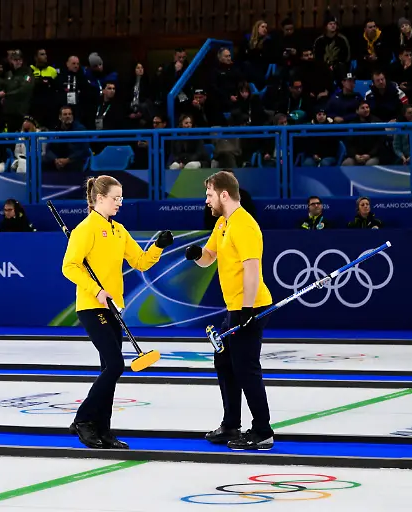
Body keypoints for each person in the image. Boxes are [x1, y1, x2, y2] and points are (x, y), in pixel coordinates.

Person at [61, 175, 173, 449]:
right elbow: (69, 266)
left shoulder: (119, 230)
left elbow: (140, 262)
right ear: (99, 198)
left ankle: (104, 430)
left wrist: (158, 246)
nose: (120, 203)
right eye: (116, 198)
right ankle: (83, 420)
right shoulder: (85, 229)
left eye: (121, 198)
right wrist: (97, 290)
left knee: (108, 370)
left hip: (113, 309)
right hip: (92, 306)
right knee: (115, 365)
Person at [184, 170, 274, 450]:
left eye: (209, 195)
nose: (207, 200)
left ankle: (263, 431)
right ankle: (231, 424)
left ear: (224, 195)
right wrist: (197, 254)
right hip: (235, 306)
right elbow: (209, 257)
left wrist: (247, 309)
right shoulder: (223, 223)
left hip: (251, 306)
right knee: (224, 362)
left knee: (246, 368)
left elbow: (252, 269)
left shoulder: (244, 225)